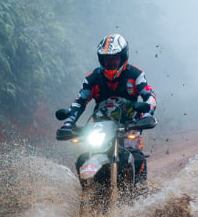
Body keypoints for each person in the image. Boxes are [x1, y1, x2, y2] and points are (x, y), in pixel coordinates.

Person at [58, 34, 157, 184]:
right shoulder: (93, 78)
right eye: (106, 58)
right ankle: (87, 194)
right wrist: (68, 123)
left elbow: (149, 96)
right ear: (101, 59)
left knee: (137, 158)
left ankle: (140, 194)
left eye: (114, 58)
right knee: (83, 158)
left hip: (129, 125)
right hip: (99, 126)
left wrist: (146, 115)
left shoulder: (136, 74)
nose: (110, 62)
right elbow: (79, 102)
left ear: (123, 57)